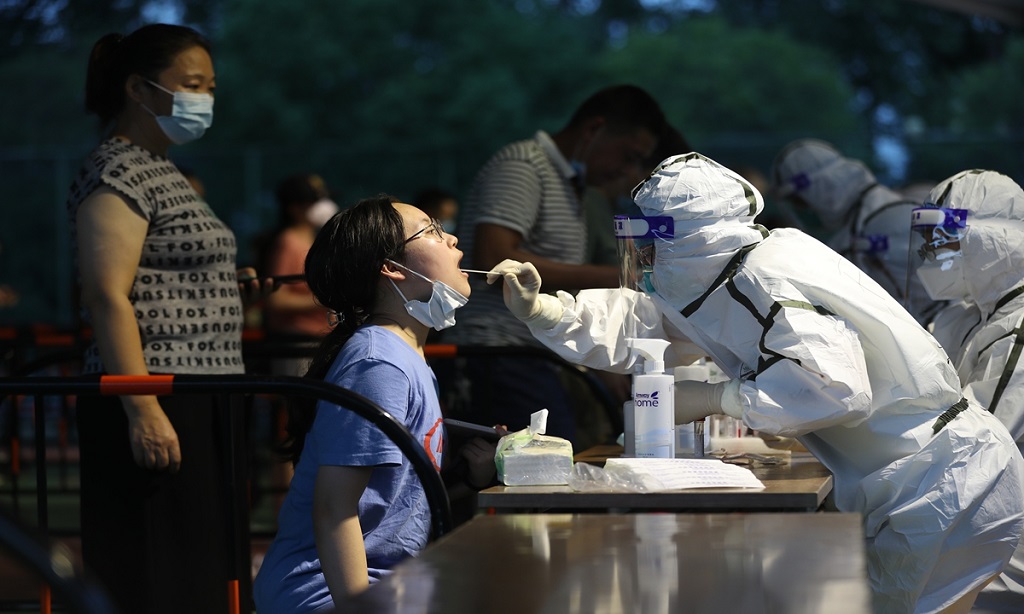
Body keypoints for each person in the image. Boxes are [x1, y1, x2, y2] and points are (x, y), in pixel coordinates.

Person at [490, 153, 1024, 614]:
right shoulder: (731, 271)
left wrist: (714, 398)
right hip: (922, 480)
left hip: (946, 483)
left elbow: (835, 384)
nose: (645, 258)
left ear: (692, 238)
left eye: (653, 240)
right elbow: (648, 322)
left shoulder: (762, 276)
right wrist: (549, 312)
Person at [66, 24, 264, 613]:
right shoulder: (117, 170)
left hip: (202, 389)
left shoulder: (162, 166)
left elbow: (163, 274)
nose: (205, 97)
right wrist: (142, 405)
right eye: (191, 84)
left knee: (203, 563)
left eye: (210, 85)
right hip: (158, 390)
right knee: (161, 566)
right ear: (140, 89)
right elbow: (107, 293)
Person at [254, 196, 481, 611]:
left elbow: (396, 499)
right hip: (329, 595)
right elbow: (333, 510)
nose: (452, 238)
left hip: (384, 587)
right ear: (393, 268)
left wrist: (474, 475)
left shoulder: (403, 354)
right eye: (431, 231)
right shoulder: (379, 362)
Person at [442, 84, 666, 443]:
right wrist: (622, 276)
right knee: (544, 460)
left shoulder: (571, 185)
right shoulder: (524, 165)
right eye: (627, 156)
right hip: (496, 348)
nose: (629, 170)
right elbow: (496, 257)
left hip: (536, 349)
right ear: (594, 130)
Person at [910, 170, 1024, 613]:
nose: (930, 251)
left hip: (1007, 543)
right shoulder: (969, 317)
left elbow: (971, 447)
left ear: (992, 242)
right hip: (976, 514)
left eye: (943, 237)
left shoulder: (1015, 333)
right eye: (926, 237)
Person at [770, 139, 941, 323]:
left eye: (801, 202)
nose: (805, 210)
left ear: (816, 189)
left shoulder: (867, 233)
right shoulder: (900, 207)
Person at [262, 173, 337, 374]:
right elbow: (275, 299)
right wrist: (325, 299)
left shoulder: (314, 240)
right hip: (298, 344)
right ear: (294, 208)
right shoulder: (288, 242)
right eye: (313, 201)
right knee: (299, 403)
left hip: (320, 341)